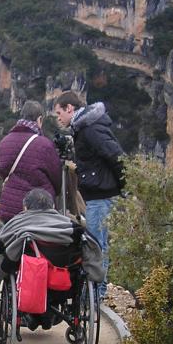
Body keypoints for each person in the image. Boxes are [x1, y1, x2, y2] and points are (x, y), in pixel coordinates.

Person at [0, 188, 103, 330]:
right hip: (63, 282)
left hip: (29, 281)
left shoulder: (16, 223)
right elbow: (91, 247)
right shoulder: (70, 225)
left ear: (25, 207)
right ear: (53, 207)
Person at [53, 92, 124, 300]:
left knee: (96, 245)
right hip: (98, 192)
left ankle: (96, 294)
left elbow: (115, 154)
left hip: (100, 194)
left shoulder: (90, 129)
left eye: (59, 113)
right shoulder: (84, 127)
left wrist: (123, 185)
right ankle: (94, 293)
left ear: (70, 109)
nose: (58, 118)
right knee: (97, 243)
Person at [0, 100, 61, 222]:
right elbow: (56, 178)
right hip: (38, 210)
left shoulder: (4, 141)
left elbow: (2, 171)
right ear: (39, 119)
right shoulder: (45, 145)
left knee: (12, 240)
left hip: (10, 209)